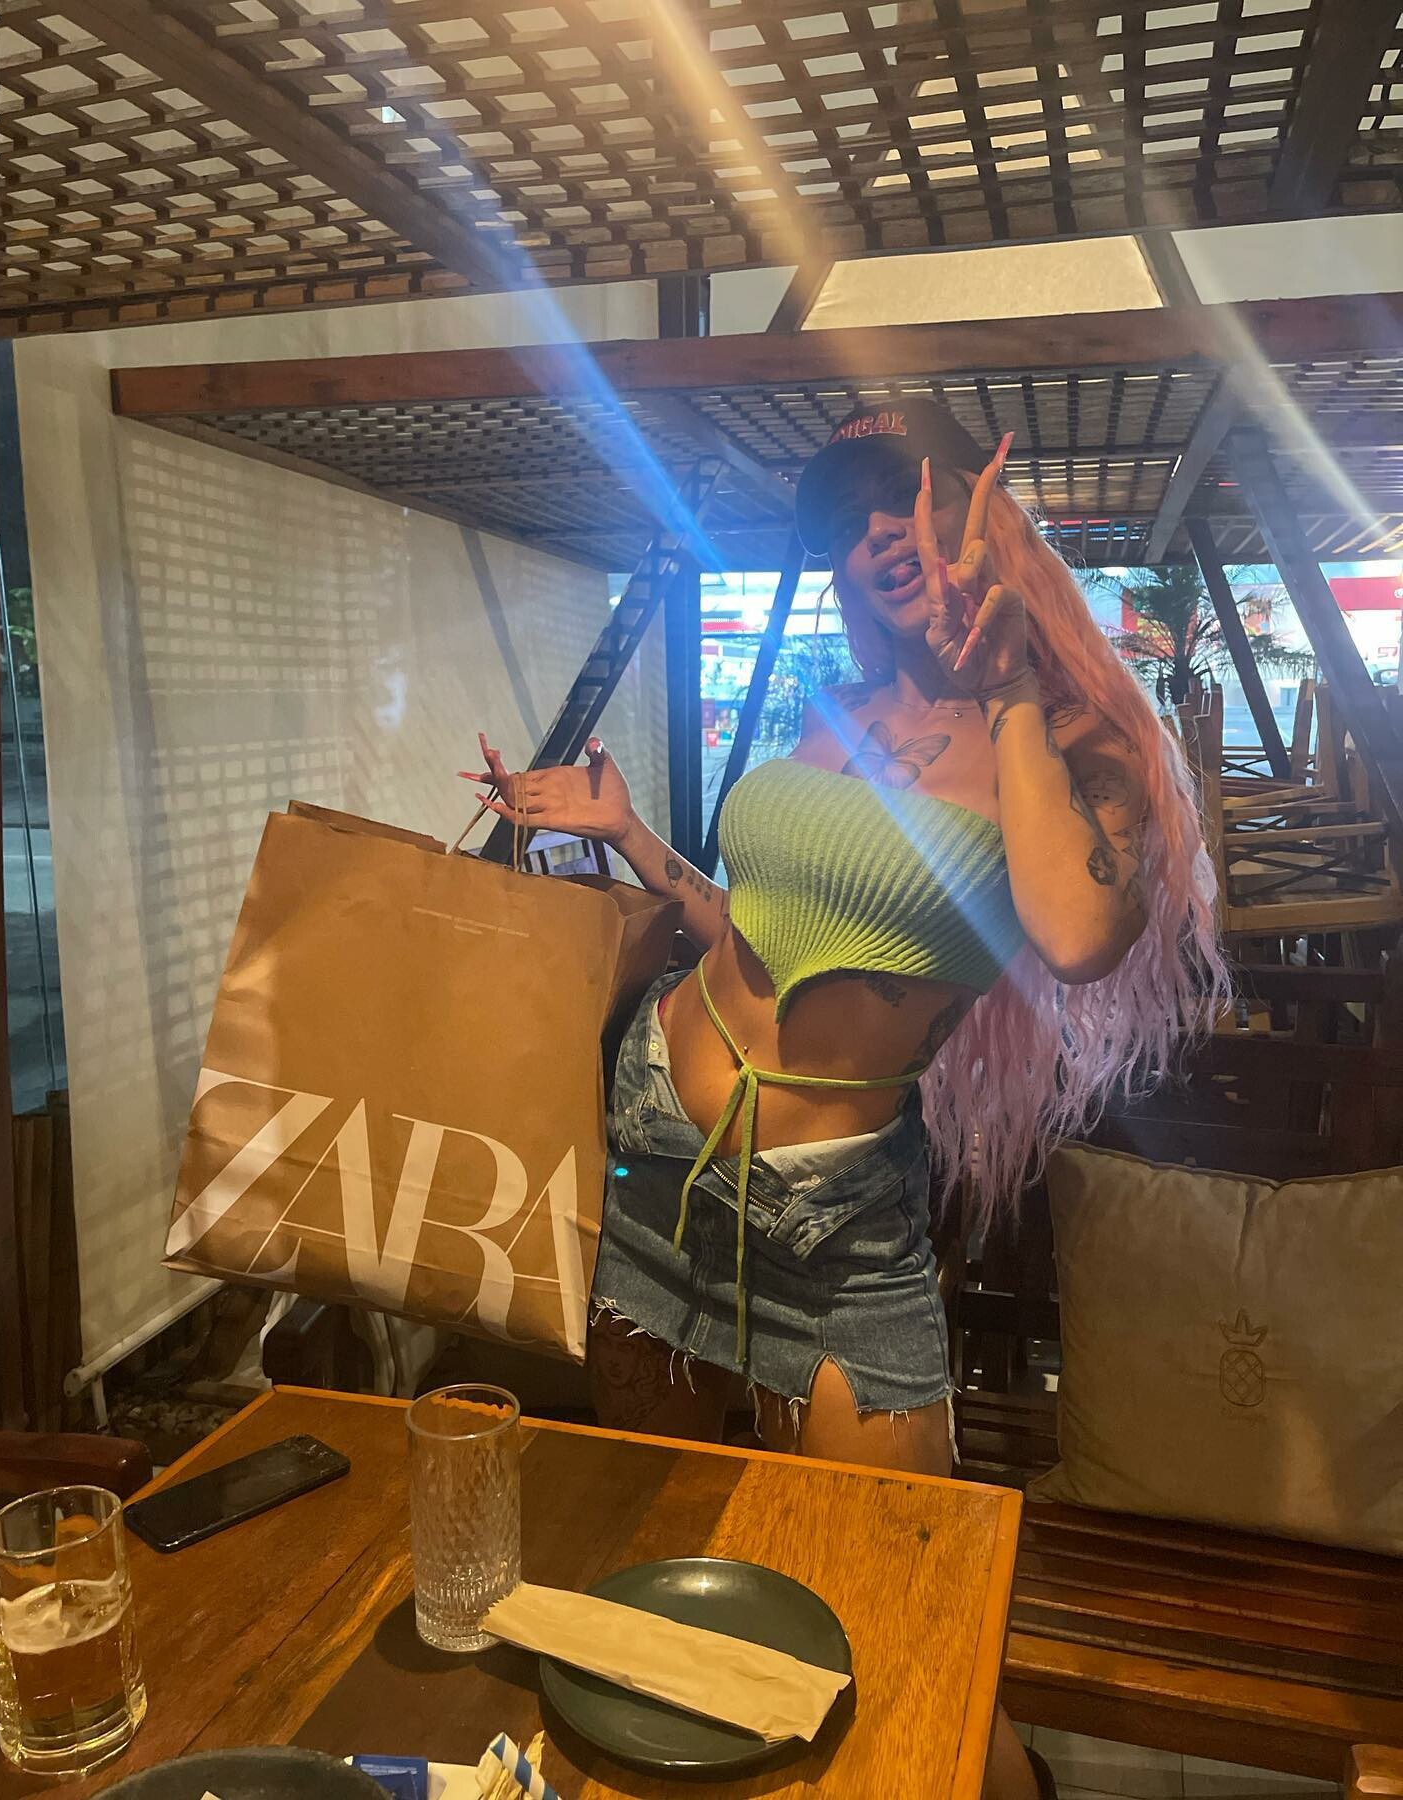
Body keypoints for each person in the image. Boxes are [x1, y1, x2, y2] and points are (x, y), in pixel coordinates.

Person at [461, 400, 1228, 1800]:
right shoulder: (839, 713)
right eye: (843, 517)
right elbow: (748, 933)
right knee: (659, 1565)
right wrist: (628, 835)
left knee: (899, 1607)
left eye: (904, 495)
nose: (876, 532)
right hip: (655, 1162)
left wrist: (1008, 686)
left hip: (836, 1232)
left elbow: (1074, 935)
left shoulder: (1079, 748)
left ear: (982, 512)